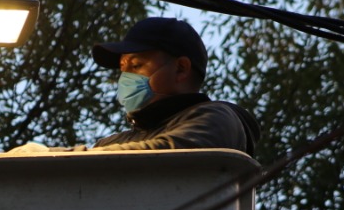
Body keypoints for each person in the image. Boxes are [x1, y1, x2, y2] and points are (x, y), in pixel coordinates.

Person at [89, 17, 259, 155]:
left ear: (181, 69)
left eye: (136, 66)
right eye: (123, 70)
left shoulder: (217, 119)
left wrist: (74, 155)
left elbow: (166, 154)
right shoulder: (113, 143)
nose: (125, 78)